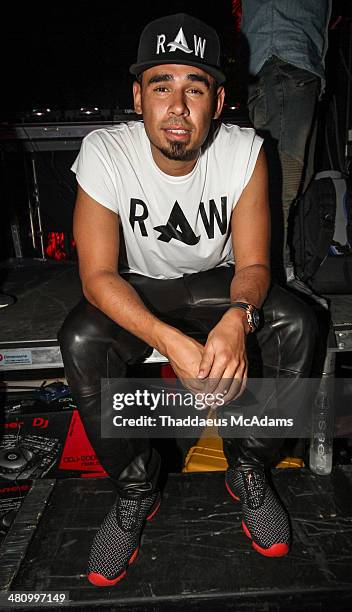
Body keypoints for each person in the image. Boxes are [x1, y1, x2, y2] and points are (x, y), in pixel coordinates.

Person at [58, 13, 318, 587]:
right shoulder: (104, 151)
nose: (177, 106)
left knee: (298, 322)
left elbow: (254, 265)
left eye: (194, 88)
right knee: (80, 337)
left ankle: (248, 470)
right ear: (138, 96)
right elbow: (98, 276)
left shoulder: (246, 149)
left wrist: (237, 315)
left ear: (218, 101)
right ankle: (135, 490)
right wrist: (167, 339)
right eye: (162, 85)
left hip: (218, 284)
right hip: (141, 287)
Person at [237, 0, 332, 286]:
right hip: (282, 58)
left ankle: (280, 274)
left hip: (299, 64)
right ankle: (276, 281)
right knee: (279, 188)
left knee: (296, 183)